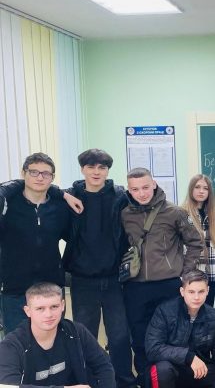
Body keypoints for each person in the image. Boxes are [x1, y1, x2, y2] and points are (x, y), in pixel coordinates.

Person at [59, 149, 136, 388]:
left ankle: (124, 382)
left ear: (108, 171)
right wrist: (61, 194)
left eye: (102, 167)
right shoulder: (70, 196)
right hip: (82, 279)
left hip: (115, 278)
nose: (96, 172)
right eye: (91, 167)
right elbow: (42, 190)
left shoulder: (120, 196)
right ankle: (90, 382)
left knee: (120, 336)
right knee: (85, 335)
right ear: (82, 169)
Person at [121, 167, 204, 387]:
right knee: (139, 338)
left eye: (145, 187)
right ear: (129, 190)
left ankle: (172, 379)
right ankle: (145, 381)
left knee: (172, 337)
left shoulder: (174, 212)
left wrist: (185, 274)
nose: (141, 193)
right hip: (135, 287)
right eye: (135, 189)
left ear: (154, 184)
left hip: (168, 286)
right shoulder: (125, 214)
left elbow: (196, 243)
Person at [0, 153, 70, 334]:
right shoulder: (8, 205)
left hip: (51, 288)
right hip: (15, 290)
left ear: (52, 178)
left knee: (53, 342)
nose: (40, 177)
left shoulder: (60, 207)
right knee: (17, 344)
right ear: (23, 173)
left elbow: (72, 238)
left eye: (46, 173)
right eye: (34, 172)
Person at [0, 282, 115, 388]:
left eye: (54, 307)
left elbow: (104, 366)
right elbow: (7, 386)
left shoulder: (76, 332)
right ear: (28, 311)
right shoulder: (12, 345)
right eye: (40, 309)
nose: (48, 314)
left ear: (62, 305)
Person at [145, 270, 215, 388]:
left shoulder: (214, 316)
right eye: (191, 292)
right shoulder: (164, 311)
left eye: (201, 291)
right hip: (173, 369)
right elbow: (153, 348)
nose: (196, 297)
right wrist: (188, 357)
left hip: (200, 371)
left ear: (207, 291)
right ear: (182, 292)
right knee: (162, 370)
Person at [182, 174, 215, 306]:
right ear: (191, 189)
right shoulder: (182, 213)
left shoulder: (213, 214)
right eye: (197, 187)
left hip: (211, 269)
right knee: (191, 309)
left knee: (208, 308)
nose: (201, 191)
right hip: (192, 270)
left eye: (205, 188)